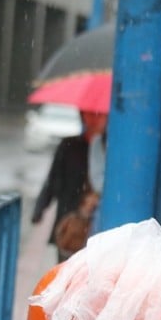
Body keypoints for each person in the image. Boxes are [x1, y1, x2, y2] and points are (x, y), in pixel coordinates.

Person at [31, 110, 107, 262]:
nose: (93, 119)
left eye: (99, 115)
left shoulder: (111, 148)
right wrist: (40, 208)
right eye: (88, 114)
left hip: (98, 223)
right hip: (70, 222)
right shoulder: (69, 145)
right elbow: (53, 180)